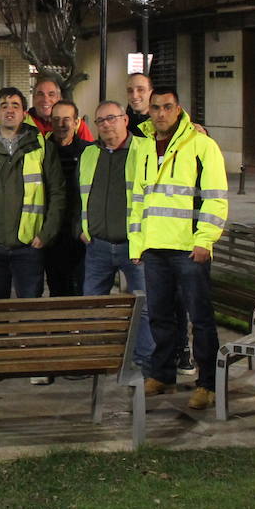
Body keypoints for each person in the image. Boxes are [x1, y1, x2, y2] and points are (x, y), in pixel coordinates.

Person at [130, 86, 229, 411]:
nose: (160, 113)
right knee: (160, 316)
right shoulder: (142, 145)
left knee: (200, 319)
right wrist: (138, 244)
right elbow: (137, 199)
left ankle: (208, 383)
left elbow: (215, 197)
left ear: (179, 109)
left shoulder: (202, 145)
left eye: (167, 107)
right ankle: (162, 374)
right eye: (155, 107)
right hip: (155, 249)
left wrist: (204, 241)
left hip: (189, 249)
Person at [0, 86, 67, 386]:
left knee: (30, 305)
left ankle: (33, 362)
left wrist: (45, 235)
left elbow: (57, 193)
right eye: (4, 104)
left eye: (16, 105)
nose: (10, 109)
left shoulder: (41, 147)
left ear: (24, 112)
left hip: (29, 243)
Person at [80, 101, 154, 374]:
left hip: (134, 246)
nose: (106, 125)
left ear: (125, 120)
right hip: (97, 245)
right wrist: (83, 228)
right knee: (92, 305)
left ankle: (146, 364)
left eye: (111, 118)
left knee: (144, 307)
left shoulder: (145, 149)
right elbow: (82, 194)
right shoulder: (89, 153)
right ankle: (96, 360)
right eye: (100, 121)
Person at [46, 100, 91, 299]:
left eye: (66, 119)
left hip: (80, 233)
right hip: (51, 233)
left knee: (81, 288)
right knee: (57, 288)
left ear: (76, 122)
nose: (61, 124)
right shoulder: (41, 151)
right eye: (56, 119)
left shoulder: (89, 151)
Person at [26, 76, 95, 142]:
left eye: (51, 94)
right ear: (34, 98)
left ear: (59, 99)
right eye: (40, 94)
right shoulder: (21, 122)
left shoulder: (76, 125)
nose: (45, 99)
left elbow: (92, 152)